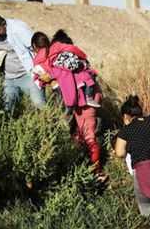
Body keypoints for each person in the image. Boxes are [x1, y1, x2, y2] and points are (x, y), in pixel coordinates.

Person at [31, 30, 106, 179]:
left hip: (82, 103)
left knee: (85, 136)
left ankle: (94, 171)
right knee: (82, 134)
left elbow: (52, 79)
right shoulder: (78, 60)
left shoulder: (60, 61)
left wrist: (48, 78)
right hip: (85, 102)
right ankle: (87, 169)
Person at [0, 14, 46, 111]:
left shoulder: (18, 28)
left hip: (28, 75)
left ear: (4, 24)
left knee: (40, 105)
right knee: (7, 109)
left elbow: (37, 47)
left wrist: (42, 69)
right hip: (8, 79)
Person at [30, 30, 101, 111]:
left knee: (65, 115)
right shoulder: (58, 52)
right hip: (73, 94)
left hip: (64, 94)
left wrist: (47, 77)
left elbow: (41, 75)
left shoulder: (43, 59)